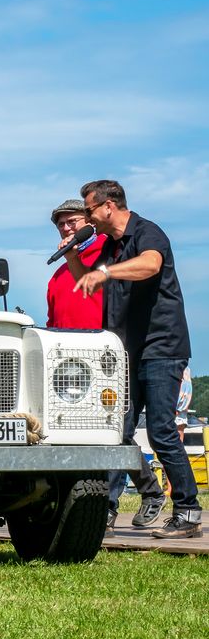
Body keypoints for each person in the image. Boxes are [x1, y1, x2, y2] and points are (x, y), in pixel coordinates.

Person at [68, 179, 201, 539]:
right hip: (128, 353)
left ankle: (188, 510)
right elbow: (88, 283)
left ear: (109, 205)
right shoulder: (111, 246)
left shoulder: (146, 232)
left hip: (162, 347)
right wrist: (72, 256)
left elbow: (151, 264)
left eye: (90, 210)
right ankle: (107, 511)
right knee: (116, 432)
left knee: (160, 431)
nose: (87, 218)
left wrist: (107, 271)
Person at [46, 200, 106, 329]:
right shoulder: (58, 274)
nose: (66, 228)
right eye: (61, 224)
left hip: (106, 344)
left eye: (72, 221)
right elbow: (52, 321)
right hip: (65, 346)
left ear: (90, 221)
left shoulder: (110, 254)